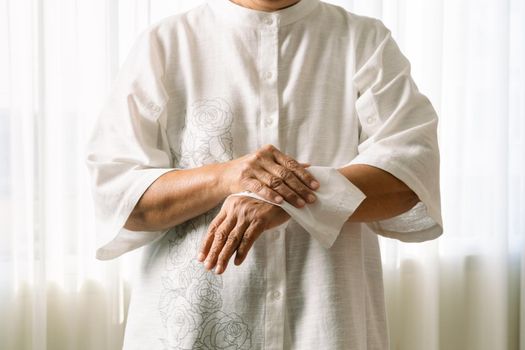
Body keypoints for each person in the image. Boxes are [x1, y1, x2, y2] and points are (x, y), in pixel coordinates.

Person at [84, 0, 443, 348]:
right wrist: (228, 177)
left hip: (326, 326)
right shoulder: (165, 44)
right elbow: (120, 196)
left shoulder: (363, 41)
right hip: (190, 328)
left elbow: (409, 174)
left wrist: (288, 201)